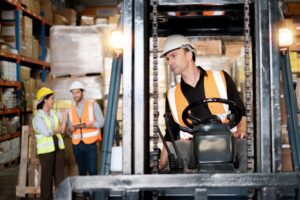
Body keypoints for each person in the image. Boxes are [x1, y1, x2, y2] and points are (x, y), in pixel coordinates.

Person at [158, 34, 247, 171]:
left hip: (227, 139)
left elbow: (241, 112)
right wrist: (159, 165)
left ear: (188, 55)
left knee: (246, 148)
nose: (169, 62)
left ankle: (246, 187)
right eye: (168, 59)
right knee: (179, 149)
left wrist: (241, 132)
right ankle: (186, 191)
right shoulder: (172, 94)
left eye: (174, 56)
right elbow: (170, 135)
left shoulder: (221, 78)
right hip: (193, 145)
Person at [67, 81, 104, 200]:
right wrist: (70, 129)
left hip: (90, 144)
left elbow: (101, 122)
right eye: (73, 93)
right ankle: (86, 196)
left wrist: (89, 125)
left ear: (83, 92)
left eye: (77, 92)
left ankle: (95, 195)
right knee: (82, 172)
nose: (75, 95)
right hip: (77, 145)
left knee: (93, 171)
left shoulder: (92, 104)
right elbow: (68, 130)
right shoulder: (70, 109)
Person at [32, 87, 67, 200]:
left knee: (60, 178)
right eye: (52, 99)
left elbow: (62, 129)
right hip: (46, 152)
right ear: (45, 100)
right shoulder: (38, 118)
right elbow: (47, 132)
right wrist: (58, 127)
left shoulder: (54, 114)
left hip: (59, 149)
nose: (54, 101)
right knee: (47, 179)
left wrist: (64, 119)